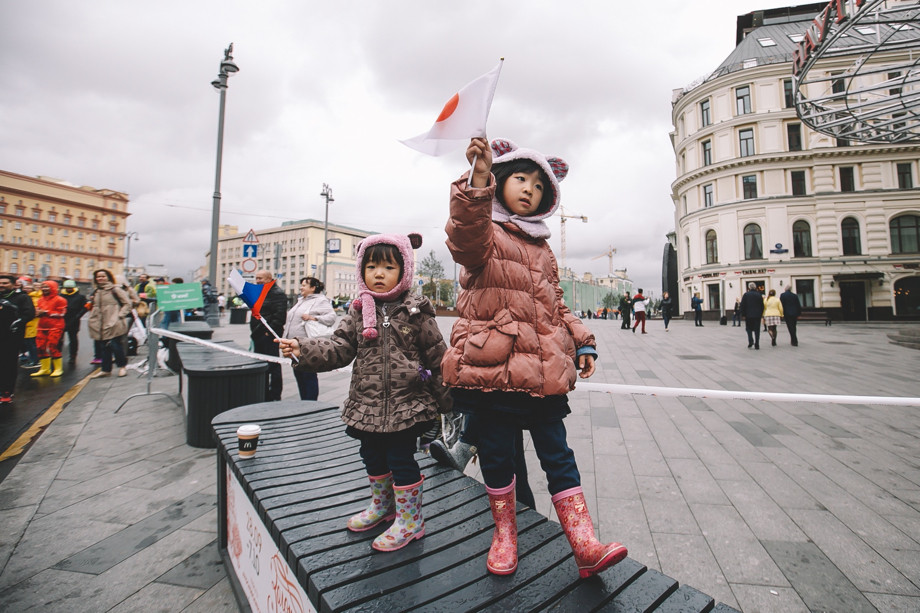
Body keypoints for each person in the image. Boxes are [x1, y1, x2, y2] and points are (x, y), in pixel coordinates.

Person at [442, 137, 626, 578]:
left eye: (540, 186)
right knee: (498, 455)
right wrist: (478, 181)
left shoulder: (543, 249)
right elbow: (463, 235)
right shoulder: (485, 234)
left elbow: (556, 304)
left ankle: (584, 545)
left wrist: (582, 340)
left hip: (543, 370)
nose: (529, 189)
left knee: (558, 454)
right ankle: (504, 536)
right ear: (502, 181)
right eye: (520, 178)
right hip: (495, 370)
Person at [278, 232, 452, 552]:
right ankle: (383, 507)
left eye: (388, 267)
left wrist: (448, 402)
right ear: (362, 270)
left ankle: (411, 521)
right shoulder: (358, 311)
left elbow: (437, 355)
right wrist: (301, 348)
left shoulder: (417, 311)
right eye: (371, 267)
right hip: (367, 404)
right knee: (371, 455)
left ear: (404, 271)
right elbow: (339, 347)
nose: (379, 274)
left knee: (401, 459)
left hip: (406, 403)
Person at [282, 276, 336, 400]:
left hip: (307, 345)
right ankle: (304, 401)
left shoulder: (320, 300)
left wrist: (314, 318)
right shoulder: (302, 300)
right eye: (301, 285)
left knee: (308, 375)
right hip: (294, 345)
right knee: (299, 373)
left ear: (313, 288)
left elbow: (331, 317)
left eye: (304, 285)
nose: (301, 287)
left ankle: (311, 402)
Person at [250, 270, 288, 401]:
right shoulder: (261, 292)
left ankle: (275, 395)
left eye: (260, 278)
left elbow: (280, 316)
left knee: (273, 365)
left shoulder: (277, 294)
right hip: (258, 334)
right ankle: (264, 392)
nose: (258, 280)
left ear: (269, 278)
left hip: (268, 335)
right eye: (257, 278)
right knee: (261, 365)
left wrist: (268, 331)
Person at [87, 269, 132, 378]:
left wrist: (120, 315)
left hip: (113, 321)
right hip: (99, 323)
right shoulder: (96, 291)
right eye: (98, 277)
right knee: (104, 347)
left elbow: (127, 303)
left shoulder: (115, 289)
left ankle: (122, 367)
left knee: (116, 345)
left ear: (108, 277)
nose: (100, 278)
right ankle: (105, 370)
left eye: (103, 276)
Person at [0, 275, 36, 404]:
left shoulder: (22, 298)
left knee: (7, 364)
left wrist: (19, 322)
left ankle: (6, 392)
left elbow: (29, 313)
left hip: (11, 337)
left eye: (5, 283)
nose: (2, 285)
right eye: (0, 283)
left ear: (14, 284)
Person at [30, 280, 68, 378]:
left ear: (53, 288)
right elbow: (39, 311)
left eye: (47, 287)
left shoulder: (60, 299)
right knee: (40, 347)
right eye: (43, 287)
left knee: (52, 346)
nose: (44, 289)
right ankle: (45, 369)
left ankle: (58, 368)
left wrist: (46, 312)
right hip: (42, 326)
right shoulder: (40, 299)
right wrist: (37, 313)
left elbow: (62, 313)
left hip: (55, 326)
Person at [60, 280, 87, 365]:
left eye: (70, 288)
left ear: (74, 288)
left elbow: (85, 307)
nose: (68, 289)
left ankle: (73, 356)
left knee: (73, 339)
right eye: (67, 288)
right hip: (61, 319)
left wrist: (78, 316)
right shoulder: (61, 296)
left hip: (74, 320)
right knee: (58, 339)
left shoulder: (80, 297)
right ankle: (57, 355)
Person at [18, 277, 40, 368]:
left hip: (33, 323)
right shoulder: (25, 297)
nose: (26, 289)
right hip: (26, 323)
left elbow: (36, 311)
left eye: (28, 288)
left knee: (31, 343)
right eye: (25, 288)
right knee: (27, 343)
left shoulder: (36, 297)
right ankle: (30, 358)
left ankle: (34, 360)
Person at [740, 282, 765, 350]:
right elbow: (762, 305)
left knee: (749, 329)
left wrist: (743, 314)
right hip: (757, 315)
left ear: (749, 287)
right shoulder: (759, 295)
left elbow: (742, 305)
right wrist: (761, 313)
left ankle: (751, 341)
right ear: (755, 287)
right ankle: (757, 344)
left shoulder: (746, 295)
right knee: (757, 330)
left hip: (748, 315)